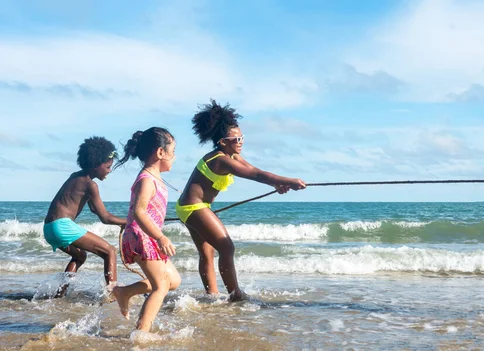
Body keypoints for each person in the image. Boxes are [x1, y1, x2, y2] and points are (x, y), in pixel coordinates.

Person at [176, 100, 306, 301]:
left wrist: (276, 185)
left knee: (207, 252)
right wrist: (289, 181)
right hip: (194, 207)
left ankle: (212, 295)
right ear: (223, 141)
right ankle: (235, 295)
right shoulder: (220, 159)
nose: (241, 141)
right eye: (236, 139)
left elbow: (255, 171)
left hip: (192, 207)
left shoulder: (231, 156)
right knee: (227, 247)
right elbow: (255, 175)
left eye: (242, 137)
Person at [111, 127, 181, 332]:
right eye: (173, 151)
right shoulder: (146, 180)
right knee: (160, 286)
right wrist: (160, 237)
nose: (175, 157)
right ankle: (141, 332)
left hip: (147, 235)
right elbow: (140, 212)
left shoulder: (156, 178)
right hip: (141, 236)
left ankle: (124, 292)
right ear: (161, 152)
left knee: (173, 281)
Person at [43, 137, 126, 297]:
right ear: (96, 165)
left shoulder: (75, 177)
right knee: (110, 251)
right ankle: (112, 296)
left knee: (80, 255)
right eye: (108, 167)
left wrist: (123, 222)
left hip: (49, 228)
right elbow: (105, 217)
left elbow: (95, 210)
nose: (109, 170)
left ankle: (59, 294)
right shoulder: (91, 185)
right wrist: (129, 222)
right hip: (62, 226)